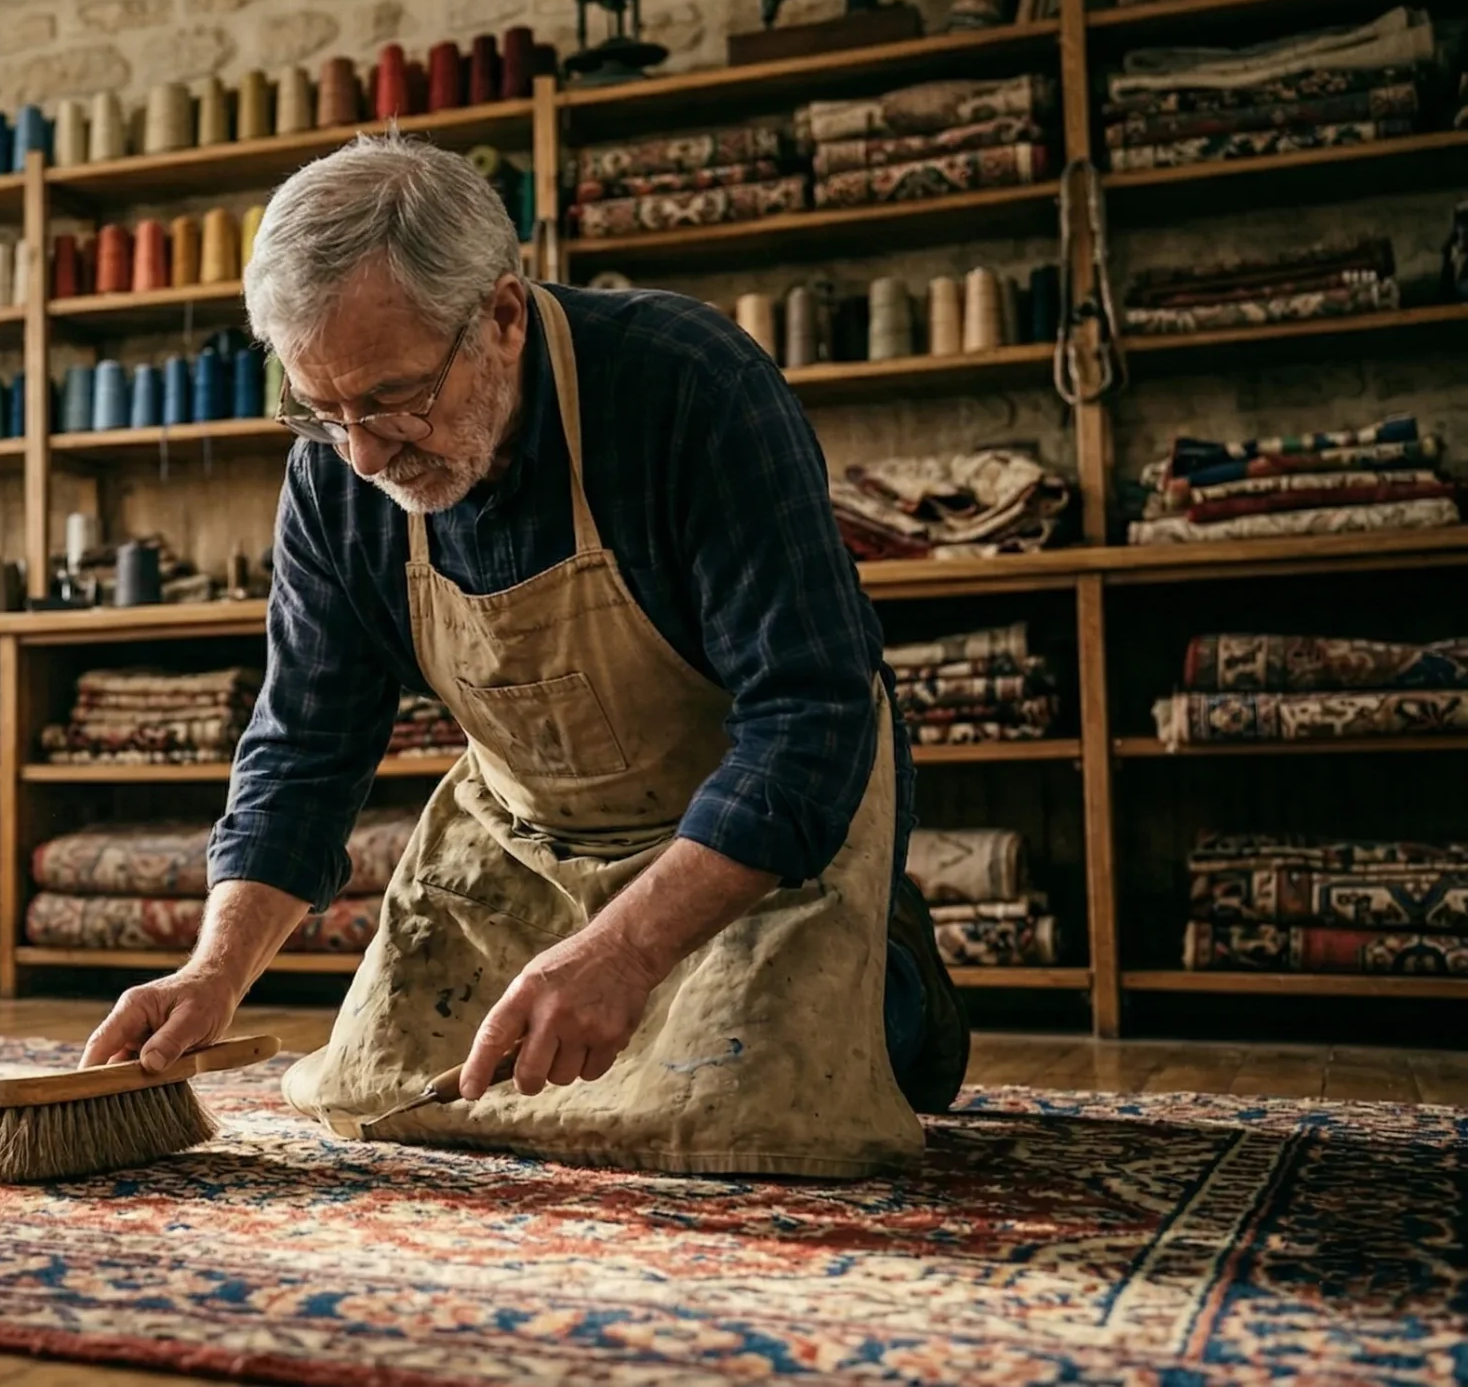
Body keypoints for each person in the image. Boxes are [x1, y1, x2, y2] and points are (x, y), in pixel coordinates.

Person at [77, 135, 967, 1176]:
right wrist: (213, 972)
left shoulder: (689, 385)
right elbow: (304, 742)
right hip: (525, 844)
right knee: (376, 1093)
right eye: (324, 413)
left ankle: (891, 984)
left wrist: (628, 950)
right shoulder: (338, 474)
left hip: (750, 842)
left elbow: (809, 715)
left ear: (501, 315)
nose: (363, 454)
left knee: (749, 1121)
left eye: (395, 397)